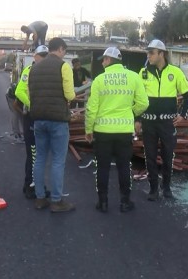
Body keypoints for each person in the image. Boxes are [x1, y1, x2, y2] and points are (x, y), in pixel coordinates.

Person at [85, 47, 148, 213]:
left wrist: (89, 129)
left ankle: (103, 202)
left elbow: (92, 108)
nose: (102, 62)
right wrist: (129, 112)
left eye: (103, 59)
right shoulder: (133, 77)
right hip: (124, 131)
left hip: (102, 131)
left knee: (103, 167)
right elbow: (144, 103)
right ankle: (125, 202)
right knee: (124, 167)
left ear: (108, 60)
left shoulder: (99, 80)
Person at [136, 39, 188, 201]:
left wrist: (183, 115)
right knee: (150, 157)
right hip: (149, 123)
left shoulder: (175, 72)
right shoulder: (143, 73)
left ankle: (166, 187)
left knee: (168, 156)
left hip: (168, 124)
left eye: (152, 53)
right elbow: (138, 99)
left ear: (162, 54)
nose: (149, 56)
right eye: (148, 52)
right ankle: (153, 189)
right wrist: (138, 119)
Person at [28, 38, 76, 212]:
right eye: (65, 51)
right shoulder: (63, 67)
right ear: (61, 49)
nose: (65, 54)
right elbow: (70, 95)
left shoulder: (34, 68)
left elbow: (30, 93)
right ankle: (56, 201)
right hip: (58, 120)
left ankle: (40, 198)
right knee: (57, 161)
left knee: (40, 158)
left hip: (39, 119)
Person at [14, 45, 49, 199]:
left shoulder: (47, 71)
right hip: (32, 116)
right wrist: (31, 104)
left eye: (45, 56)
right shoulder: (29, 70)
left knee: (40, 154)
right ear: (35, 56)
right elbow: (19, 92)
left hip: (42, 116)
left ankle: (35, 184)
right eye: (40, 55)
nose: (42, 58)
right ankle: (30, 186)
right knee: (34, 153)